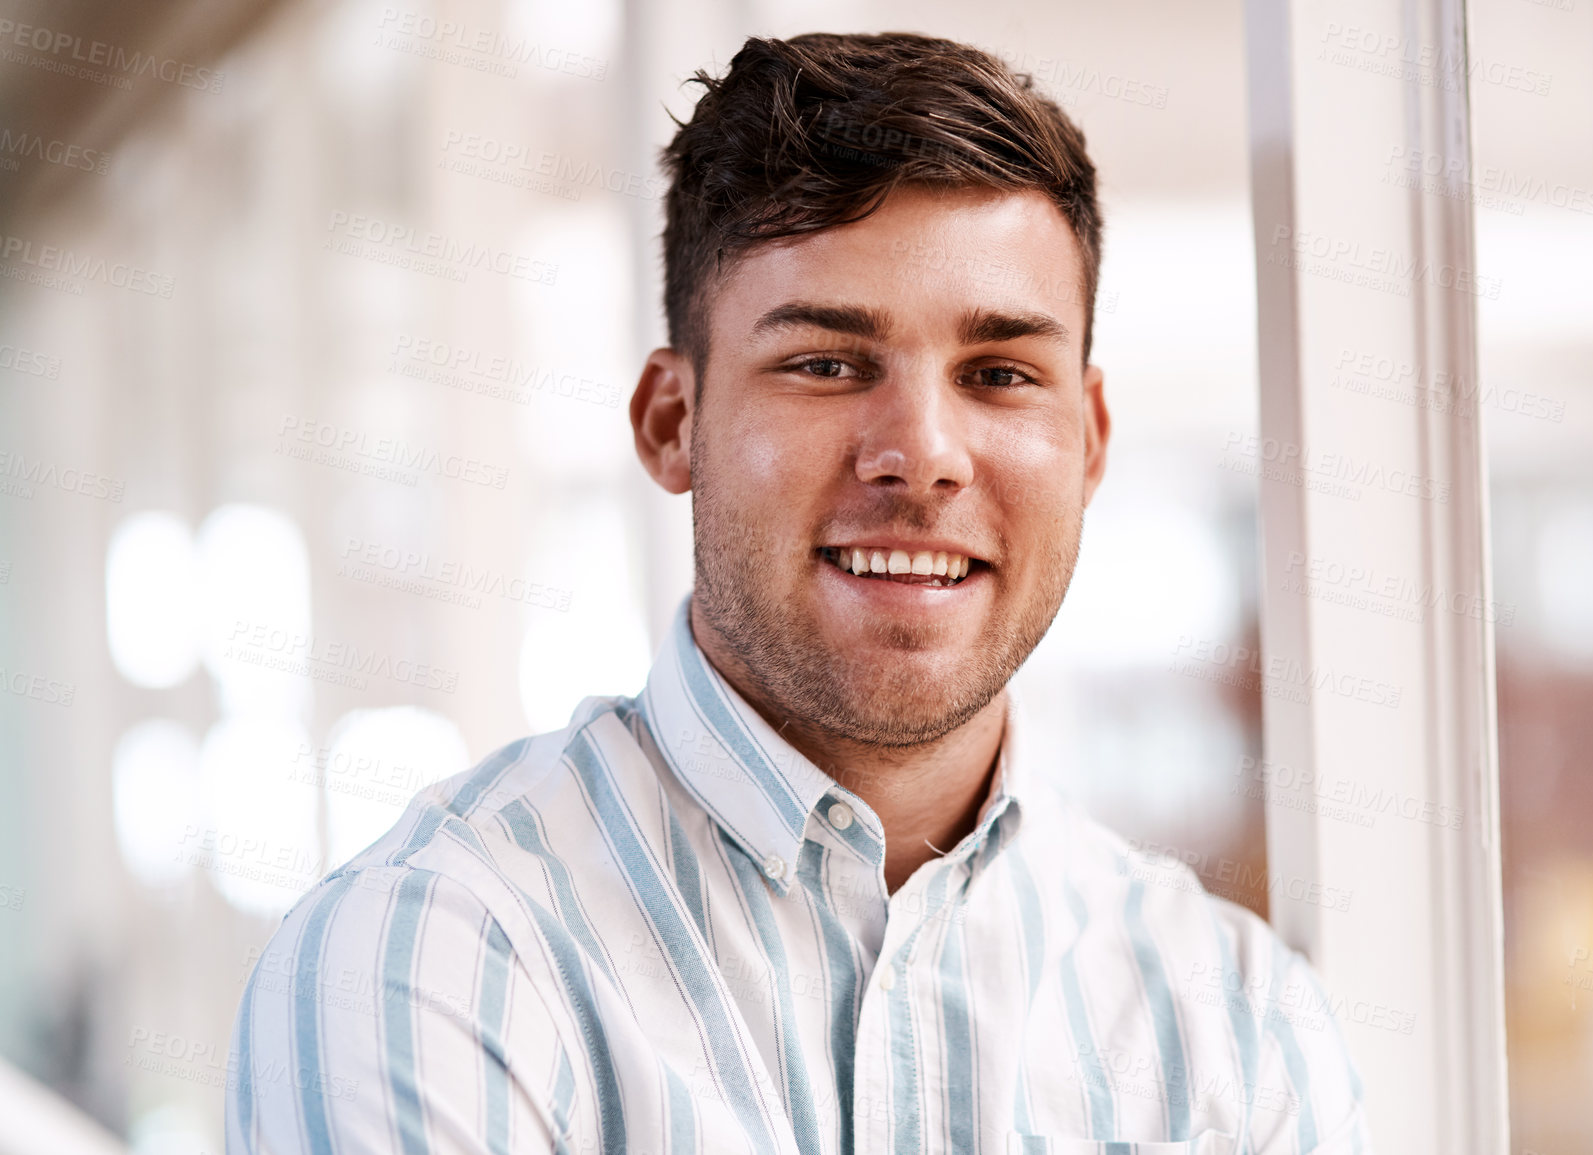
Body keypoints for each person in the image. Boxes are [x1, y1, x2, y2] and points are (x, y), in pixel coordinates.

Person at [226, 31, 1370, 1154]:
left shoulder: (1233, 1021)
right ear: (673, 424)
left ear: (1090, 437)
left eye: (1000, 375)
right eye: (826, 363)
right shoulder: (431, 955)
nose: (921, 456)